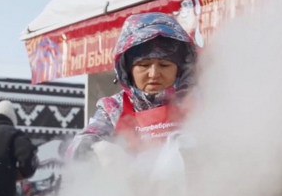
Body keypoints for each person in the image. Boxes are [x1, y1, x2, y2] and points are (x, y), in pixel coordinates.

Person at [66, 12, 197, 158]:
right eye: (144, 65)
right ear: (127, 69)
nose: (154, 74)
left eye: (165, 65)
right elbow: (81, 143)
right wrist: (91, 146)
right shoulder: (114, 108)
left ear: (180, 69)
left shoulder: (197, 102)